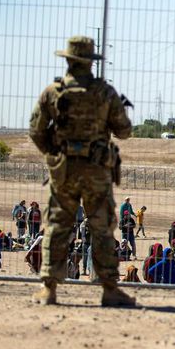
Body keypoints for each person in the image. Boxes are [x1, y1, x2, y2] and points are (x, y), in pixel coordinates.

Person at [28, 36, 136, 307]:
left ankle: (49, 288)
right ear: (91, 62)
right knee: (101, 227)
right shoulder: (105, 92)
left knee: (58, 225)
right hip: (97, 170)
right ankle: (110, 288)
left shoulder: (53, 92)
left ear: (67, 60)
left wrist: (54, 153)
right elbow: (124, 130)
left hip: (63, 169)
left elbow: (36, 130)